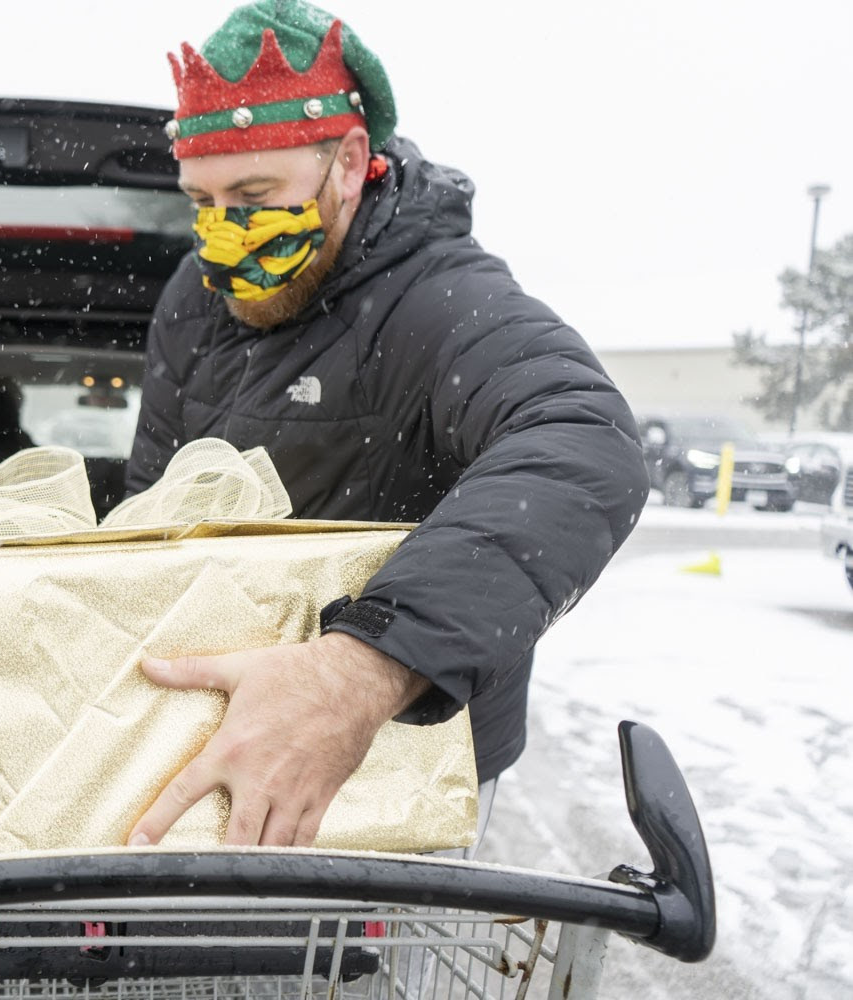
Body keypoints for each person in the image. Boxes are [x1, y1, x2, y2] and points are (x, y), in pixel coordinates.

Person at [124, 0, 650, 852]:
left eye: (255, 195)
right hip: (225, 731)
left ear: (349, 163)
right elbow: (151, 504)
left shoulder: (443, 301)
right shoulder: (197, 291)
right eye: (202, 200)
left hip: (401, 763)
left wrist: (357, 672)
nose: (223, 239)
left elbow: (585, 441)